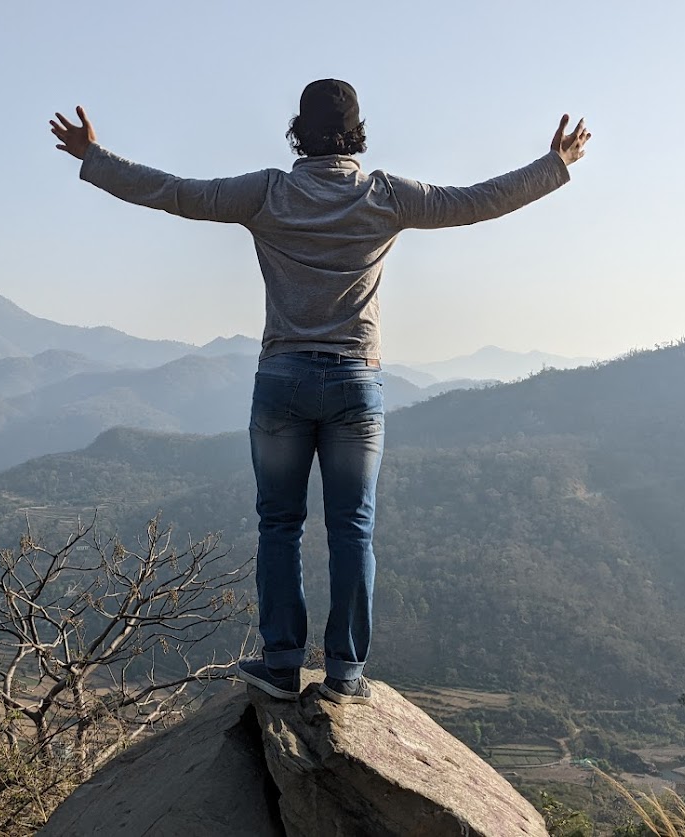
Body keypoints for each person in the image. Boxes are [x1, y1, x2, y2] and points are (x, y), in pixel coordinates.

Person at [51, 79, 589, 705]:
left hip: (281, 380)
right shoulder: (385, 196)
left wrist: (95, 157)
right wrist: (555, 165)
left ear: (297, 132)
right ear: (357, 132)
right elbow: (478, 201)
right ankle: (345, 675)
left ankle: (281, 664)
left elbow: (177, 193)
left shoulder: (268, 193)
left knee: (279, 524)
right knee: (352, 530)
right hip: (356, 384)